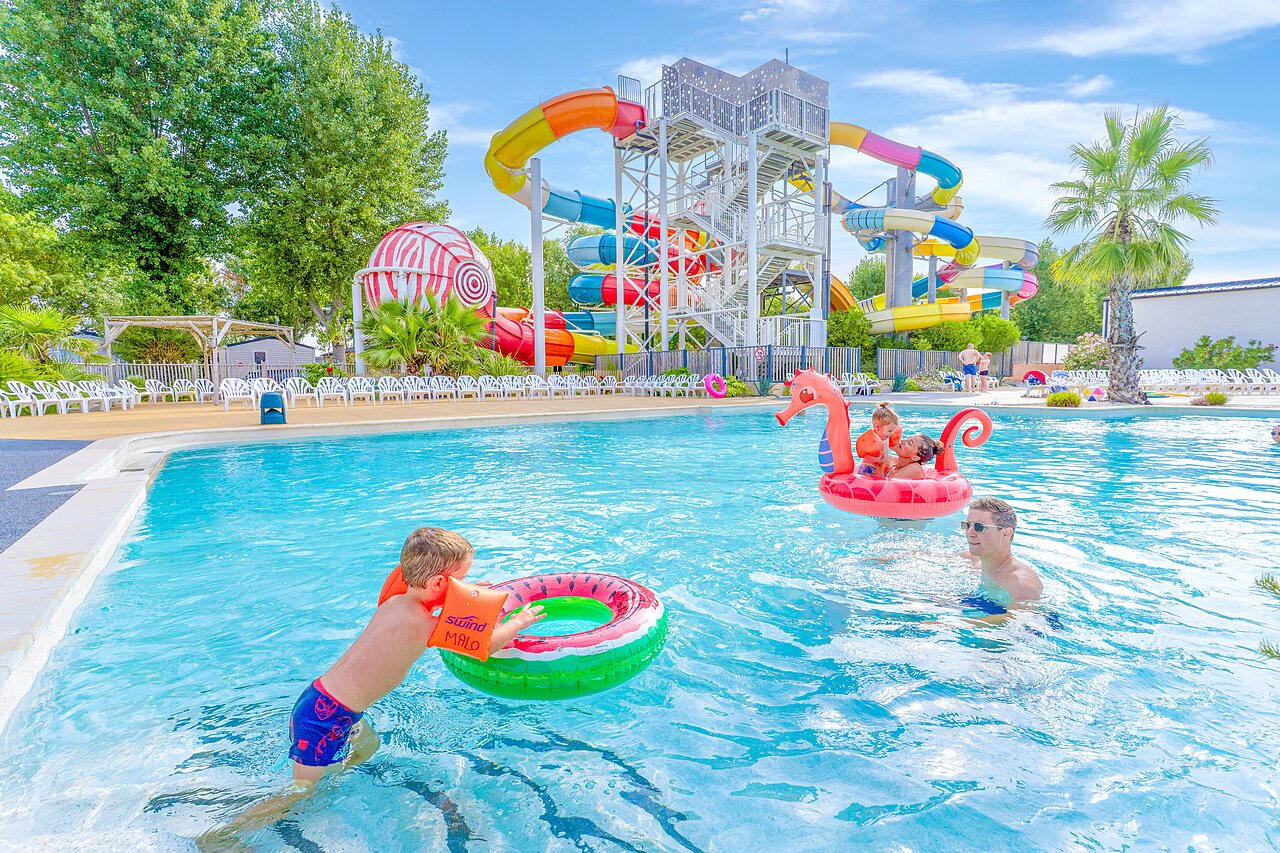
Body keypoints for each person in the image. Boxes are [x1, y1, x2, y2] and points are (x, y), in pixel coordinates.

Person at [199, 528, 546, 849]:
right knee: (302, 791)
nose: (465, 588)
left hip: (321, 699)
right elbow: (484, 647)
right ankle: (224, 834)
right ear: (441, 582)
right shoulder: (425, 624)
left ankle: (336, 766)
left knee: (369, 747)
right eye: (462, 582)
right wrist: (519, 621)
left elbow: (435, 606)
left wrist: (458, 598)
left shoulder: (397, 604)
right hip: (327, 718)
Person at [959, 497, 1041, 622]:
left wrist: (951, 624)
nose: (970, 532)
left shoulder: (1021, 584)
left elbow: (1017, 621)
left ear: (1006, 534)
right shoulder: (972, 559)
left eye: (979, 527)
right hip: (986, 606)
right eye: (967, 525)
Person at [854, 402, 901, 477]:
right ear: (877, 427)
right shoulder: (872, 439)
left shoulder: (885, 438)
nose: (891, 434)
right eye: (889, 431)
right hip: (868, 469)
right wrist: (878, 460)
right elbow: (866, 456)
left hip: (879, 469)